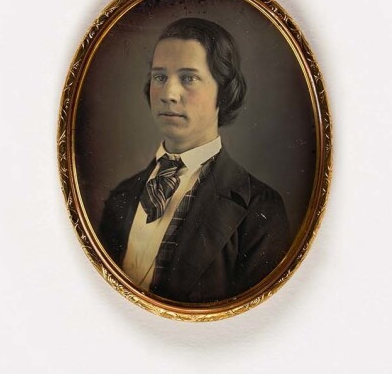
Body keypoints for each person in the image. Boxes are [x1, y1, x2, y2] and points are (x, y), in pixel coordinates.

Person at [98, 18, 290, 303]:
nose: (168, 94)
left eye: (188, 78)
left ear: (223, 93)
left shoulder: (259, 208)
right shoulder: (122, 196)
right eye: (159, 77)